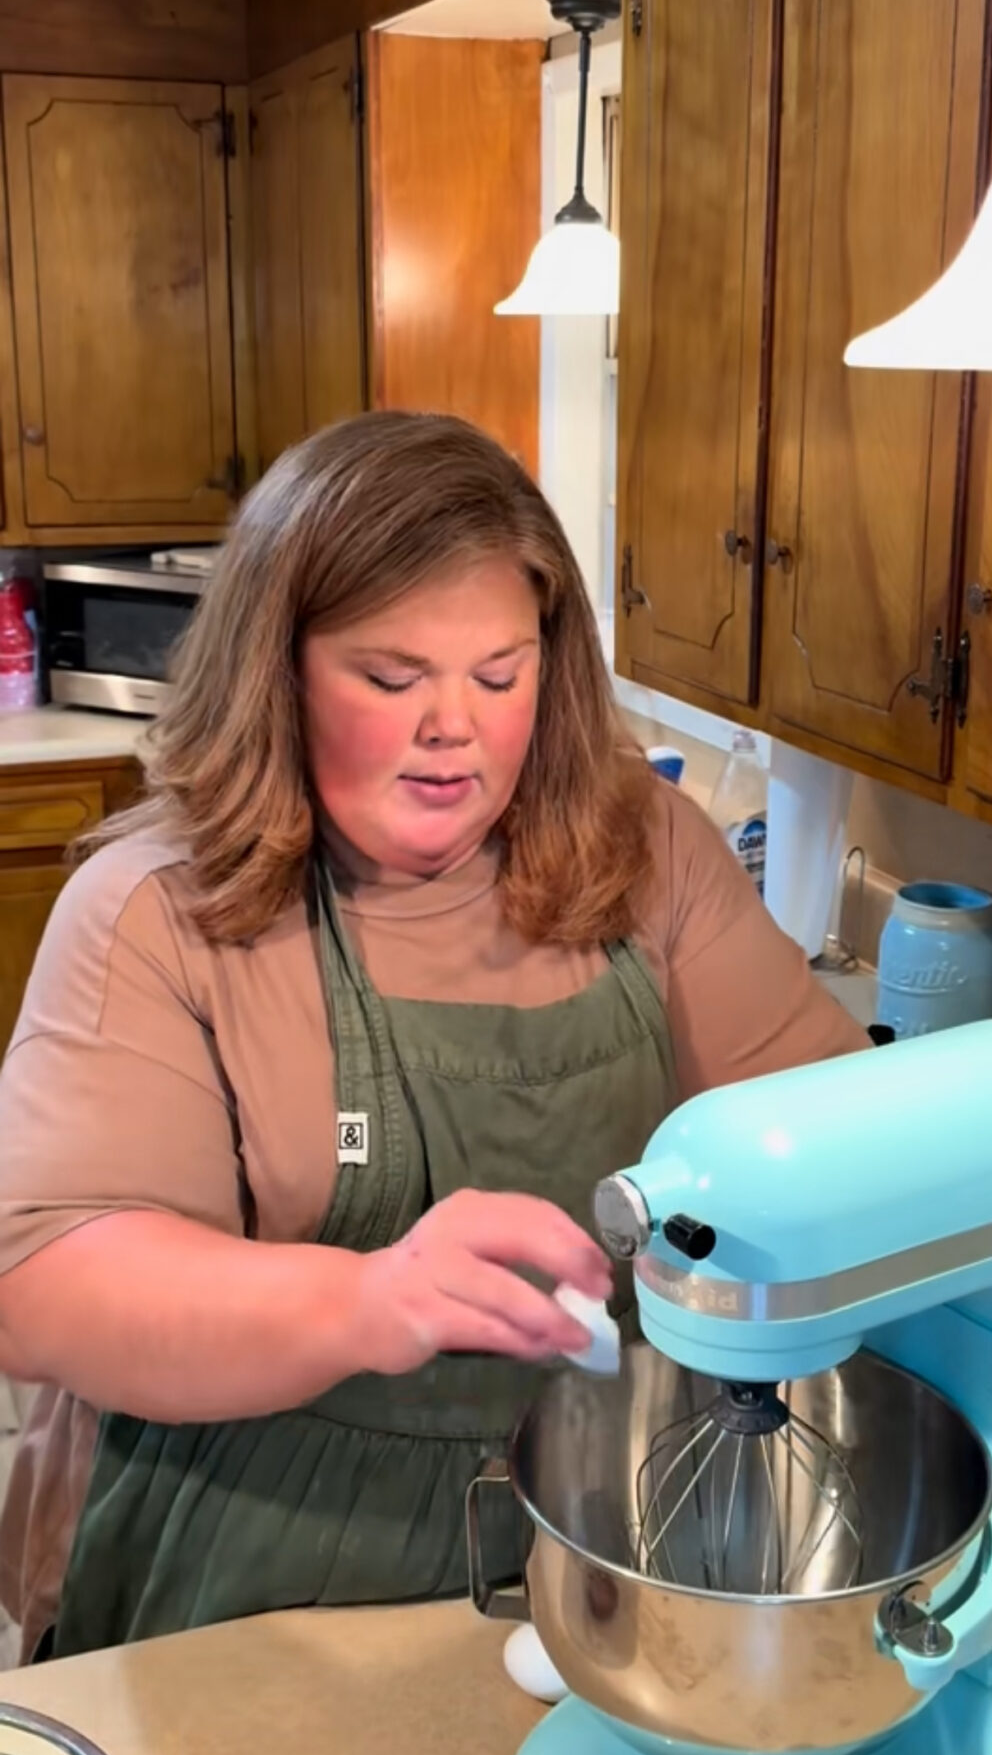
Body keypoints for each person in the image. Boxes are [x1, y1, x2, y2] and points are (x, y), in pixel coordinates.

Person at [0, 413, 865, 1662]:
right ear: (278, 672)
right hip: (252, 1565)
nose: (452, 725)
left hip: (605, 1529)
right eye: (392, 679)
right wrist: (367, 1300)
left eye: (498, 676)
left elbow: (827, 1135)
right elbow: (45, 1286)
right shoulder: (155, 911)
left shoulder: (647, 854)